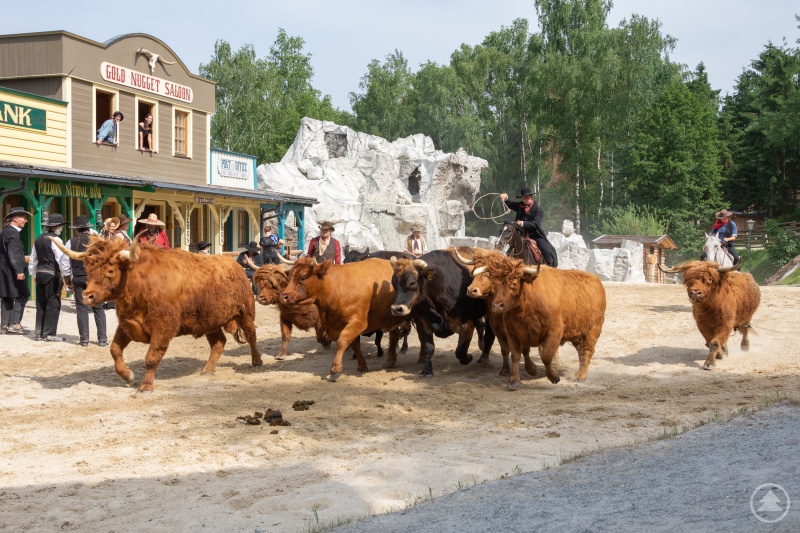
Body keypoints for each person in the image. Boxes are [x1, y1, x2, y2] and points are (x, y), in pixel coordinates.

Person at [28, 213, 71, 342]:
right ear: (57, 227)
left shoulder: (38, 239)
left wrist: (34, 274)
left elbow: (33, 259)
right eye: (61, 226)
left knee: (41, 303)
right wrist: (67, 277)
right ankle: (49, 334)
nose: (61, 229)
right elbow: (61, 260)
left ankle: (38, 333)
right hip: (52, 275)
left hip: (40, 274)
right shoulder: (56, 240)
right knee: (53, 303)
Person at [65, 215, 107, 347]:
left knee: (81, 308)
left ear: (77, 229)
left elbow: (65, 263)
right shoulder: (97, 242)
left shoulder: (70, 242)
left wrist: (68, 281)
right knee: (98, 307)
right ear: (88, 229)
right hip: (94, 278)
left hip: (78, 277)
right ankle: (102, 339)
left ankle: (84, 340)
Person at [499, 187, 558, 267]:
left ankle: (550, 270)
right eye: (523, 198)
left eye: (526, 198)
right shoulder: (520, 206)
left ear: (531, 197)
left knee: (548, 252)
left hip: (535, 235)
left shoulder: (538, 210)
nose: (525, 200)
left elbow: (535, 224)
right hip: (521, 235)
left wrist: (522, 223)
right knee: (509, 252)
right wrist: (505, 197)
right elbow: (510, 204)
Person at [0, 207, 32, 335]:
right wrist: (19, 270)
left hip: (5, 271)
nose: (26, 220)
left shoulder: (5, 232)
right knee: (23, 294)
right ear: (15, 218)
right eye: (23, 217)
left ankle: (3, 326)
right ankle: (14, 323)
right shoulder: (13, 233)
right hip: (12, 271)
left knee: (7, 297)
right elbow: (13, 254)